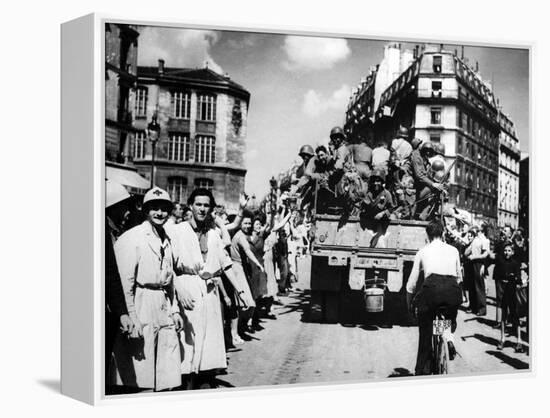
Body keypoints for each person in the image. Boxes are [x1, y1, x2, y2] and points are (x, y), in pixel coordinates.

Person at [112, 187, 183, 392]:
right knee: (140, 372)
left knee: (165, 372)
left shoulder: (167, 239)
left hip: (162, 303)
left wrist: (175, 310)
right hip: (141, 302)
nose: (160, 213)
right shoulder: (133, 238)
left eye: (164, 209)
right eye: (154, 209)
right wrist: (131, 317)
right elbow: (125, 284)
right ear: (146, 210)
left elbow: (169, 282)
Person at [167, 188, 233, 388]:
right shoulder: (177, 230)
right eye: (198, 204)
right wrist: (178, 289)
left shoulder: (213, 233)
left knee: (208, 341)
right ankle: (184, 384)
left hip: (209, 291)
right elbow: (168, 266)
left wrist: (240, 292)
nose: (202, 209)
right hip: (187, 289)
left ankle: (203, 380)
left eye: (206, 205)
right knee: (187, 340)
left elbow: (222, 260)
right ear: (190, 205)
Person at [406, 221, 463, 375]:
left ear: (428, 235)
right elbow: (459, 277)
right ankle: (448, 338)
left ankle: (421, 370)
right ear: (443, 233)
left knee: (425, 331)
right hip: (452, 289)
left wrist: (409, 304)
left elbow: (411, 283)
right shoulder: (454, 250)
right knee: (448, 319)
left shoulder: (423, 251)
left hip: (431, 289)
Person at [105, 180, 134, 384]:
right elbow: (110, 277)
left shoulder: (112, 233)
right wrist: (122, 311)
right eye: (123, 208)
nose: (127, 214)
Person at [230, 211, 266, 334]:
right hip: (237, 269)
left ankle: (240, 328)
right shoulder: (240, 237)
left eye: (249, 223)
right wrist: (257, 263)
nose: (247, 226)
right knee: (247, 303)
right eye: (245, 223)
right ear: (240, 223)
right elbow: (247, 250)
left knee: (246, 303)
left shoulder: (242, 235)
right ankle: (238, 329)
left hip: (241, 268)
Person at [493, 243, 524, 352]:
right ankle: (502, 338)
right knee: (504, 315)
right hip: (503, 290)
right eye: (505, 250)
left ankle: (519, 340)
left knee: (515, 315)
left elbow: (519, 278)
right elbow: (496, 275)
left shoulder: (515, 263)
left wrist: (515, 278)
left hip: (512, 291)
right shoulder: (500, 262)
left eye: (509, 250)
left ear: (513, 252)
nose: (507, 252)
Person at [411, 142, 446, 220]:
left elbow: (428, 174)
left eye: (430, 151)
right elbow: (419, 175)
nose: (428, 153)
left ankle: (423, 215)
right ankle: (418, 215)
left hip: (419, 187)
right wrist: (433, 184)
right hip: (412, 186)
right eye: (426, 150)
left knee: (435, 193)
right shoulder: (417, 156)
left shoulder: (426, 159)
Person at [466, 225, 490, 316]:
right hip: (472, 263)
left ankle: (482, 309)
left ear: (482, 230)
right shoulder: (476, 239)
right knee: (472, 286)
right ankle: (473, 307)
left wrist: (475, 257)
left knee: (479, 287)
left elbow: (485, 255)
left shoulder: (484, 240)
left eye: (478, 229)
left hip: (479, 263)